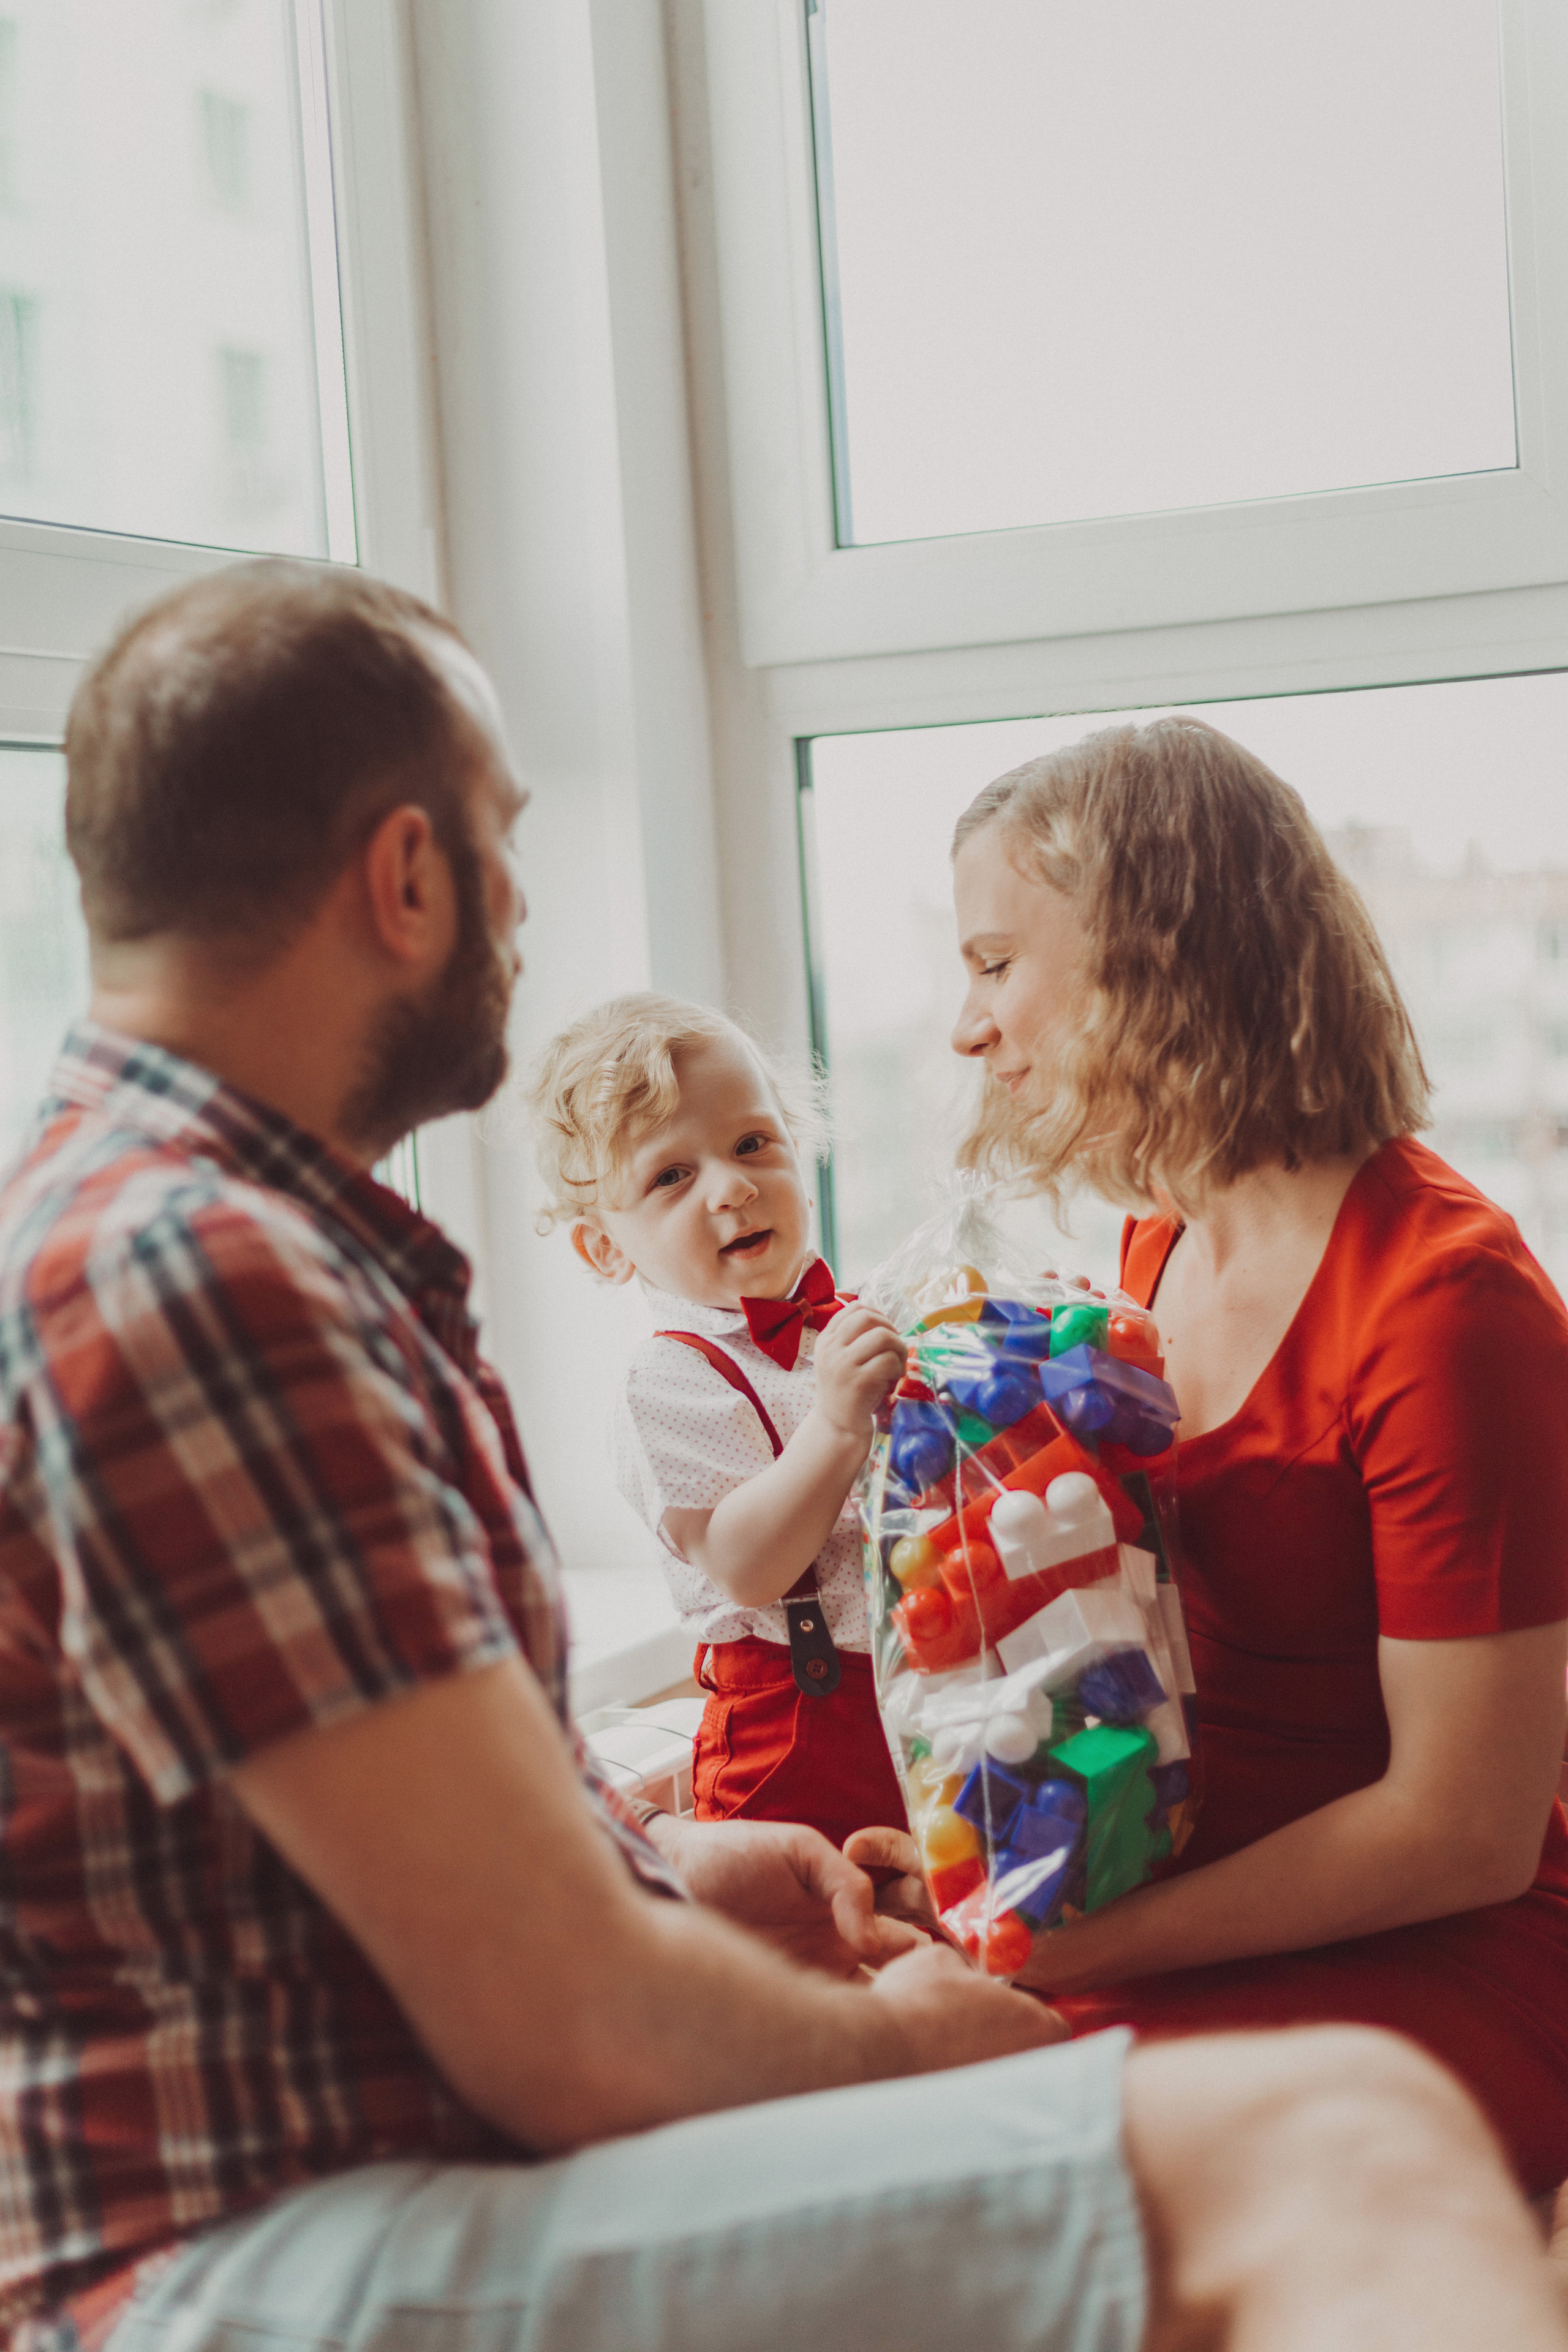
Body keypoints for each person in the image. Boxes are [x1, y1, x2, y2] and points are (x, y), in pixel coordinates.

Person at [1, 567, 1564, 2352]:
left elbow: (341, 1879)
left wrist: (676, 1875)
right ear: (410, 878)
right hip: (267, 2236)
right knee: (1336, 2146)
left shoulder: (189, 1245)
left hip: (361, 2152)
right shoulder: (201, 1288)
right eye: (512, 845)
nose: (527, 904)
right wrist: (927, 2017)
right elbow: (566, 2027)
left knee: (1301, 2124)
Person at [855, 712, 1568, 2199]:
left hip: (1417, 1950)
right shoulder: (1156, 1235)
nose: (965, 1028)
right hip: (1179, 1891)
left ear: (1147, 955)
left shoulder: (1448, 1304)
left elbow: (1464, 1834)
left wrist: (1073, 1945)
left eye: (994, 964)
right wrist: (995, 1852)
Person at [528, 993, 908, 1848]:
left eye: (751, 1145)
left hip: (916, 1699)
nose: (733, 1187)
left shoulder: (854, 1320)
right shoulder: (668, 1379)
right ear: (605, 1247)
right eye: (672, 1176)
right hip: (796, 1737)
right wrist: (839, 1426)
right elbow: (746, 1566)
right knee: (815, 1952)